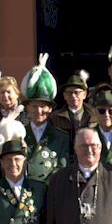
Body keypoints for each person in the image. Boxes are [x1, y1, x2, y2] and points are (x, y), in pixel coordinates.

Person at [22, 55, 72, 183]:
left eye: (43, 106)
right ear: (27, 108)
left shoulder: (61, 137)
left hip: (50, 193)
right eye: (34, 106)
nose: (39, 111)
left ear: (50, 109)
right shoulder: (19, 135)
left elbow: (62, 169)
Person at [49, 70, 96, 146]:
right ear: (64, 96)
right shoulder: (54, 117)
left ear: (84, 94)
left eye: (77, 93)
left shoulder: (95, 115)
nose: (73, 96)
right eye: (69, 93)